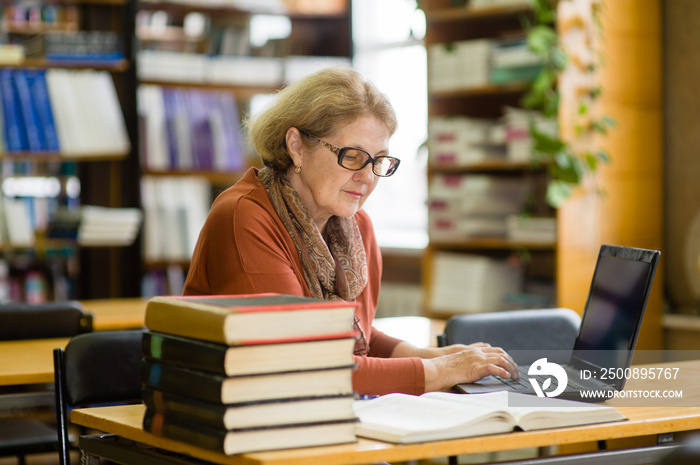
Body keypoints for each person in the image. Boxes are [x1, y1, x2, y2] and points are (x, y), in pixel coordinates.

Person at [183, 66, 519, 395]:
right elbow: (308, 364)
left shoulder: (356, 227)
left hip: (322, 415)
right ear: (297, 146)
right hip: (238, 424)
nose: (368, 177)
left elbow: (358, 338)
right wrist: (440, 370)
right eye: (353, 157)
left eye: (378, 161)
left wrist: (434, 355)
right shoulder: (244, 217)